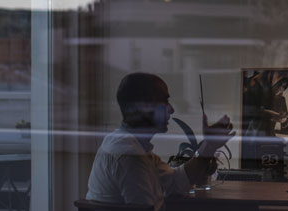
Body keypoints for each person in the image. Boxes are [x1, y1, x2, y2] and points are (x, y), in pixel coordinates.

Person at [86, 73, 234, 210]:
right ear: (140, 107)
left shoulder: (134, 147)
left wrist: (209, 145)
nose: (171, 109)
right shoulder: (129, 155)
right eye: (164, 101)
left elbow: (176, 182)